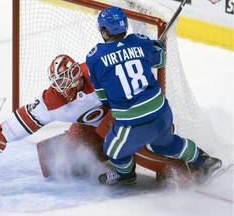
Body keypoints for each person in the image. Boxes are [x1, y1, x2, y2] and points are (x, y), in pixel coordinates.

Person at [0, 54, 203, 184]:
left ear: (78, 73)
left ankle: (176, 169)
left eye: (67, 78)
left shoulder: (98, 73)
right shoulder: (52, 100)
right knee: (65, 160)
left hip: (125, 118)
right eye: (58, 82)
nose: (63, 86)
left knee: (120, 139)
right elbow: (22, 120)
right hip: (94, 126)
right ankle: (121, 164)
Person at [86, 6, 222, 186]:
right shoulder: (141, 42)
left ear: (104, 31)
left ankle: (126, 175)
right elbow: (160, 60)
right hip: (162, 113)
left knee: (111, 149)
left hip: (133, 124)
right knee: (166, 145)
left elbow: (103, 97)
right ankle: (205, 160)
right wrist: (156, 47)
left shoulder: (94, 58)